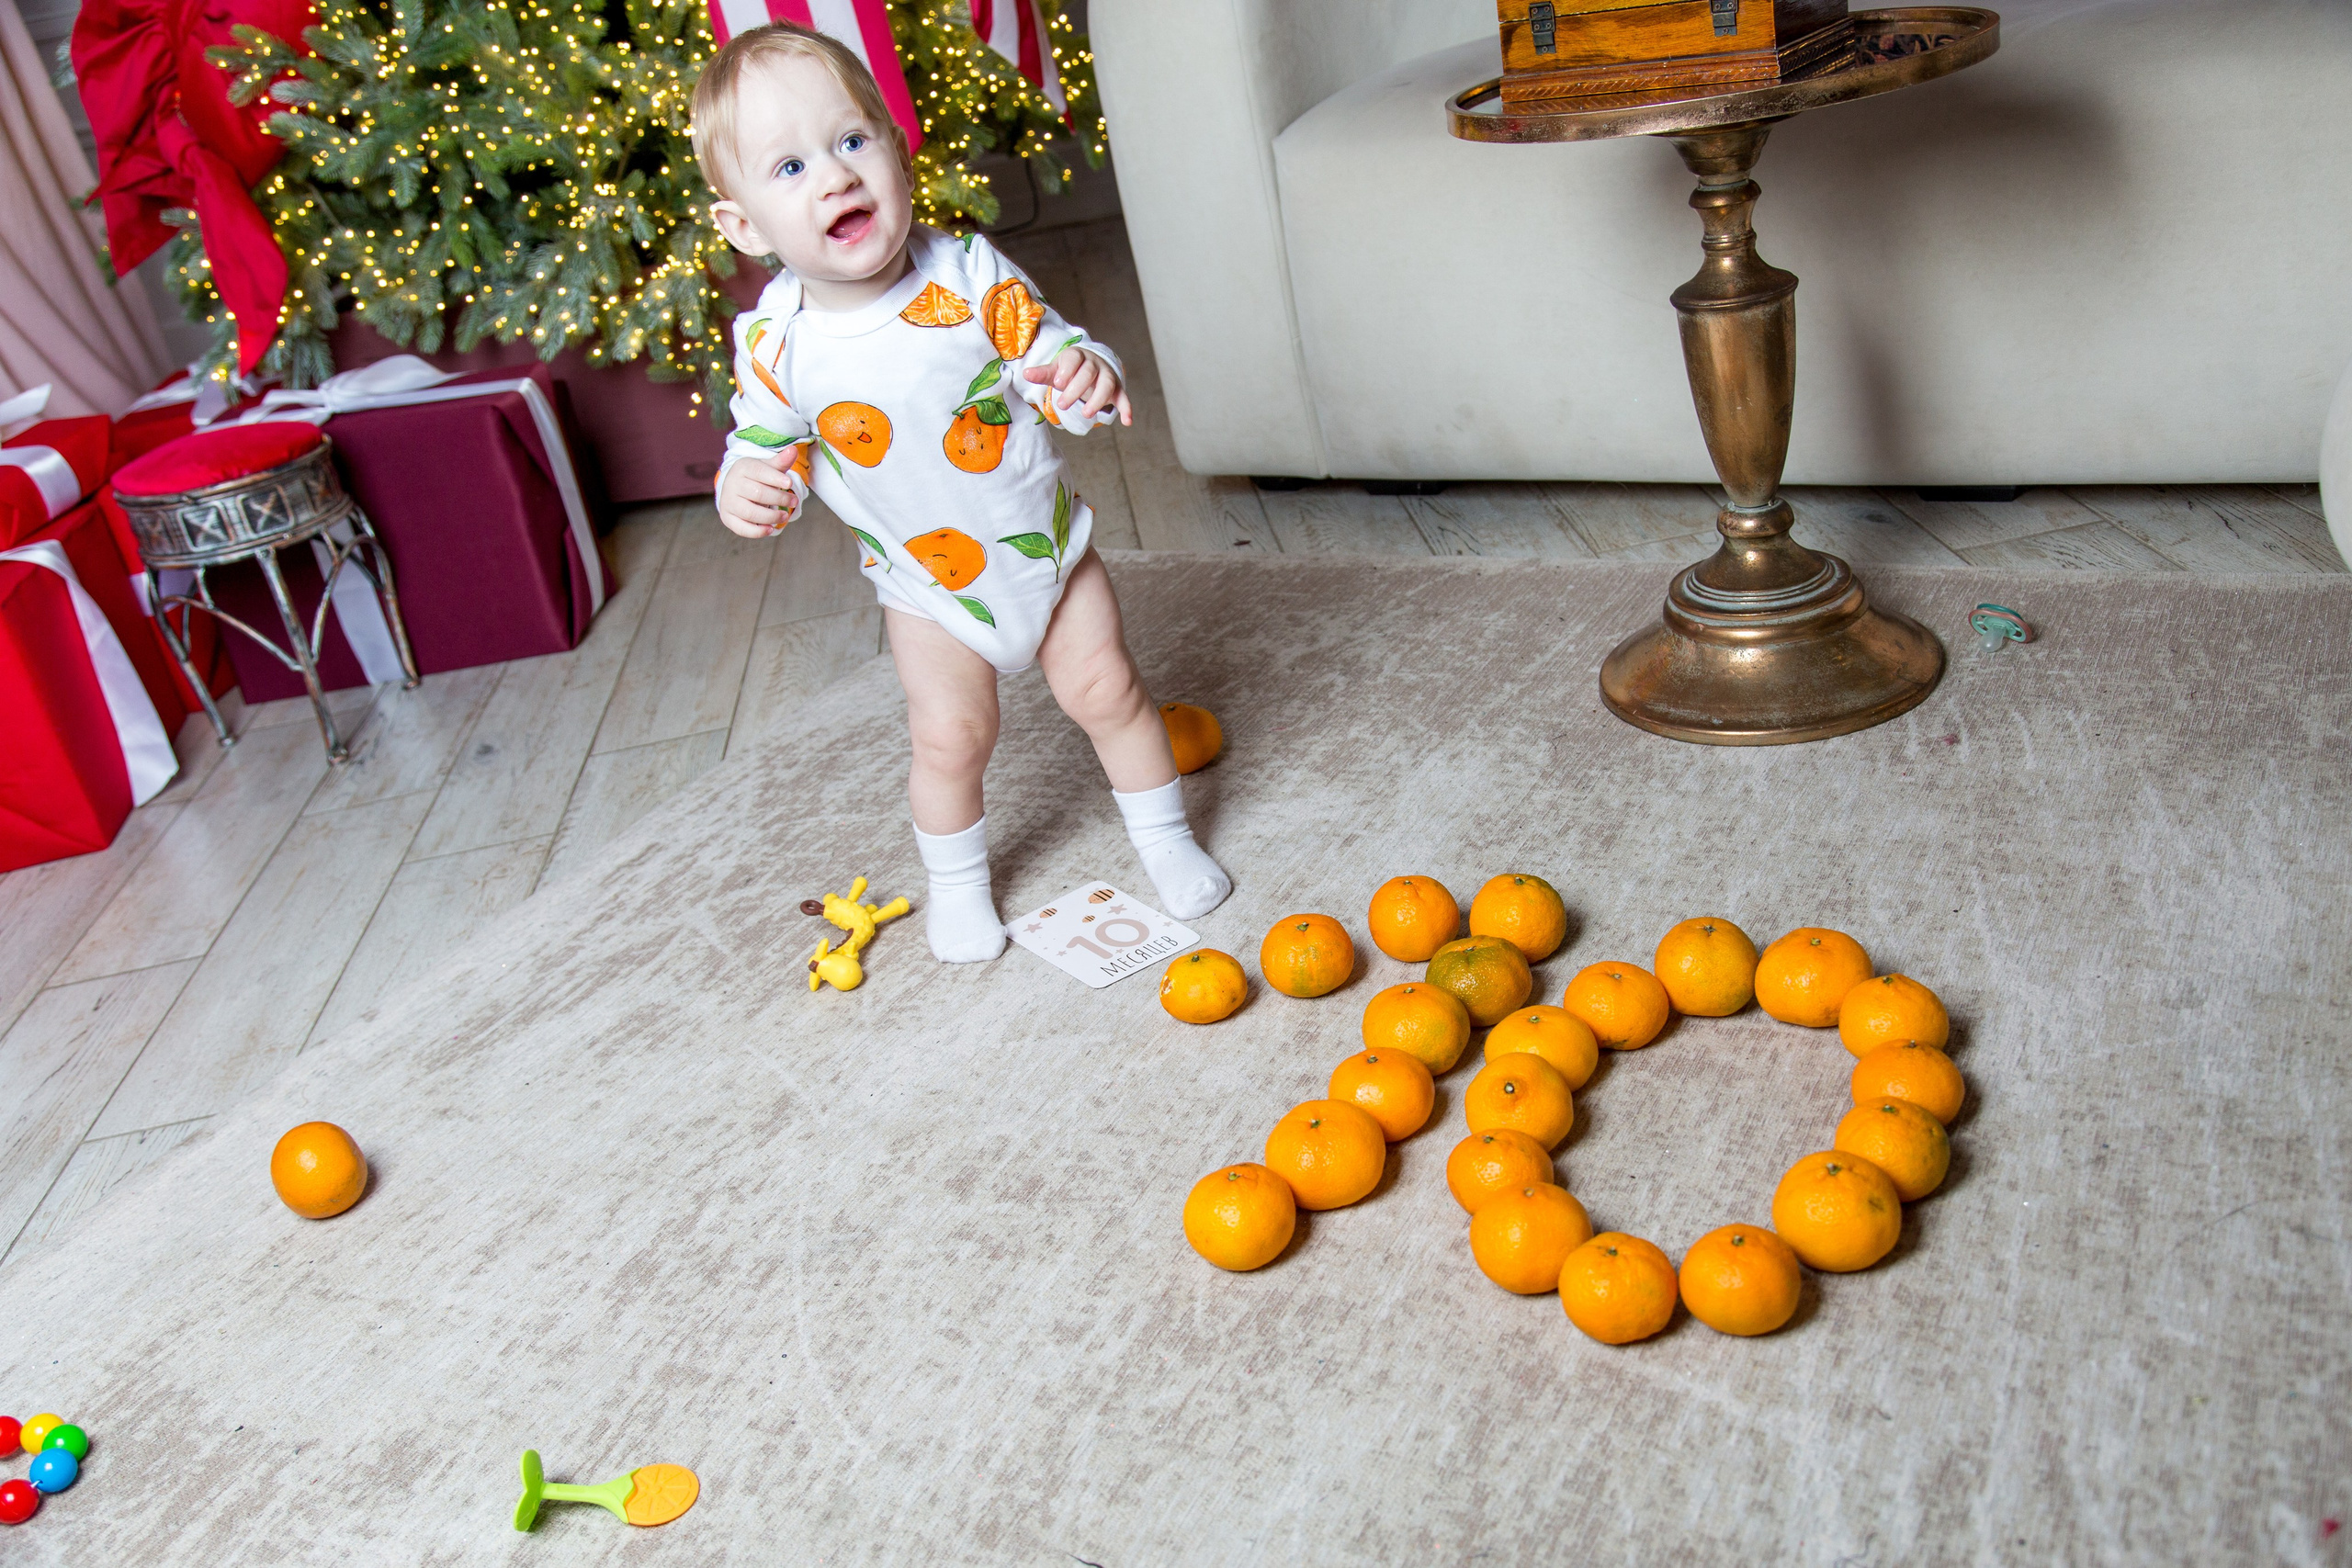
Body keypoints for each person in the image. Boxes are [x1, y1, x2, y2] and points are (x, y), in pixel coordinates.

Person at [692, 22, 1230, 963]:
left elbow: (1049, 348)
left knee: (1108, 689)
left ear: (899, 150)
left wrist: (1081, 373)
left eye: (853, 141)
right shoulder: (778, 342)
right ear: (742, 225)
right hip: (928, 589)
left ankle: (1165, 839)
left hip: (1044, 551)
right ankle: (958, 888)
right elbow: (763, 439)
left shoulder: (968, 275)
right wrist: (743, 483)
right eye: (788, 169)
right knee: (950, 739)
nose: (834, 177)